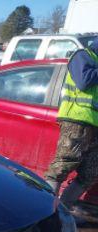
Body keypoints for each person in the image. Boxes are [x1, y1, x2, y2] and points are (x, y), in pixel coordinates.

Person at [45, 41, 98, 208]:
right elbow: (84, 81)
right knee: (62, 167)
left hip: (95, 125)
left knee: (90, 172)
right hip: (77, 120)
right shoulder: (82, 56)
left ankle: (62, 210)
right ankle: (44, 210)